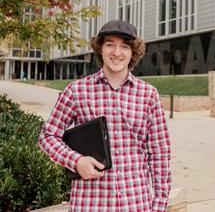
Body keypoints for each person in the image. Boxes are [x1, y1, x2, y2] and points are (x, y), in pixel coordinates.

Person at [38, 20, 171, 211]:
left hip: (136, 204)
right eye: (110, 44)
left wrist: (158, 206)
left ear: (133, 52)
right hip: (90, 204)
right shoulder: (77, 91)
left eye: (124, 46)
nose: (117, 53)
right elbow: (47, 136)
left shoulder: (148, 95)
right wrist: (76, 161)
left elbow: (159, 154)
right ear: (100, 49)